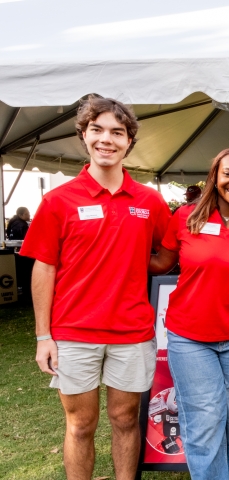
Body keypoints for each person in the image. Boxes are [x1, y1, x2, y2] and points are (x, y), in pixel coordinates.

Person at [20, 95, 171, 480]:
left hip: (131, 332)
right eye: (98, 130)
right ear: (84, 136)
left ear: (129, 141)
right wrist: (43, 336)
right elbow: (44, 269)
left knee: (124, 420)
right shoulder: (57, 201)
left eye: (117, 132)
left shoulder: (150, 202)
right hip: (73, 332)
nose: (107, 139)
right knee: (80, 425)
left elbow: (166, 254)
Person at [148, 148, 229, 479]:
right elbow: (160, 263)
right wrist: (120, 247)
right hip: (190, 337)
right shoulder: (186, 216)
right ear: (214, 177)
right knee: (205, 417)